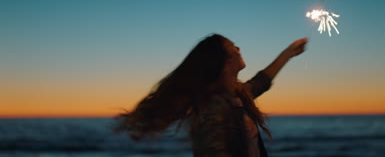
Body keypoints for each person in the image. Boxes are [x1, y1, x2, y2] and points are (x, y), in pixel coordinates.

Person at [115, 34, 308, 157]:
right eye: (233, 46)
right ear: (223, 62)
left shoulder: (238, 95)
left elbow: (261, 81)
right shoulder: (211, 108)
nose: (239, 49)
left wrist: (288, 53)